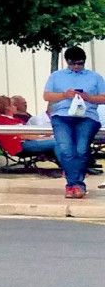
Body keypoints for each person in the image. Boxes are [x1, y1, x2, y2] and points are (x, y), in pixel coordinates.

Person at [41, 47, 105, 199]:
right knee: (65, 149)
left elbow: (103, 98)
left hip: (87, 116)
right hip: (62, 116)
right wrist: (64, 95)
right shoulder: (56, 76)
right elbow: (47, 96)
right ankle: (75, 184)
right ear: (67, 61)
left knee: (81, 150)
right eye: (72, 63)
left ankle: (74, 184)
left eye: (79, 63)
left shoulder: (95, 77)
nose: (76, 66)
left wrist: (88, 97)